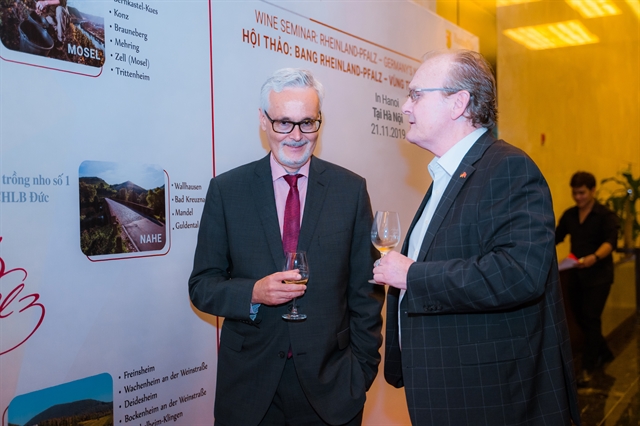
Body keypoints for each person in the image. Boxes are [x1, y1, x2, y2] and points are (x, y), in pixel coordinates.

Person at [372, 49, 581, 425]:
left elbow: (519, 273)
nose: (405, 106)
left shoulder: (509, 168)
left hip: (490, 398)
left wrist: (412, 275)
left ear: (458, 103)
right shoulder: (450, 174)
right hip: (446, 388)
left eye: (416, 95)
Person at [189, 68, 384, 426]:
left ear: (319, 121)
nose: (296, 136)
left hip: (332, 388)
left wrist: (361, 372)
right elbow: (202, 286)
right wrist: (254, 292)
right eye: (284, 123)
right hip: (249, 389)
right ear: (263, 121)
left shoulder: (350, 190)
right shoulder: (227, 191)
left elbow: (365, 291)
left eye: (307, 123)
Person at [556, 171, 619, 386]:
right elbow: (556, 237)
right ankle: (605, 353)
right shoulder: (570, 215)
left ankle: (587, 367)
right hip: (576, 275)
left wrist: (595, 257)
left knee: (591, 318)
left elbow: (610, 242)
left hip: (599, 276)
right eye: (575, 193)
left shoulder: (605, 215)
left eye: (582, 193)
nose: (578, 197)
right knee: (582, 318)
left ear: (593, 190)